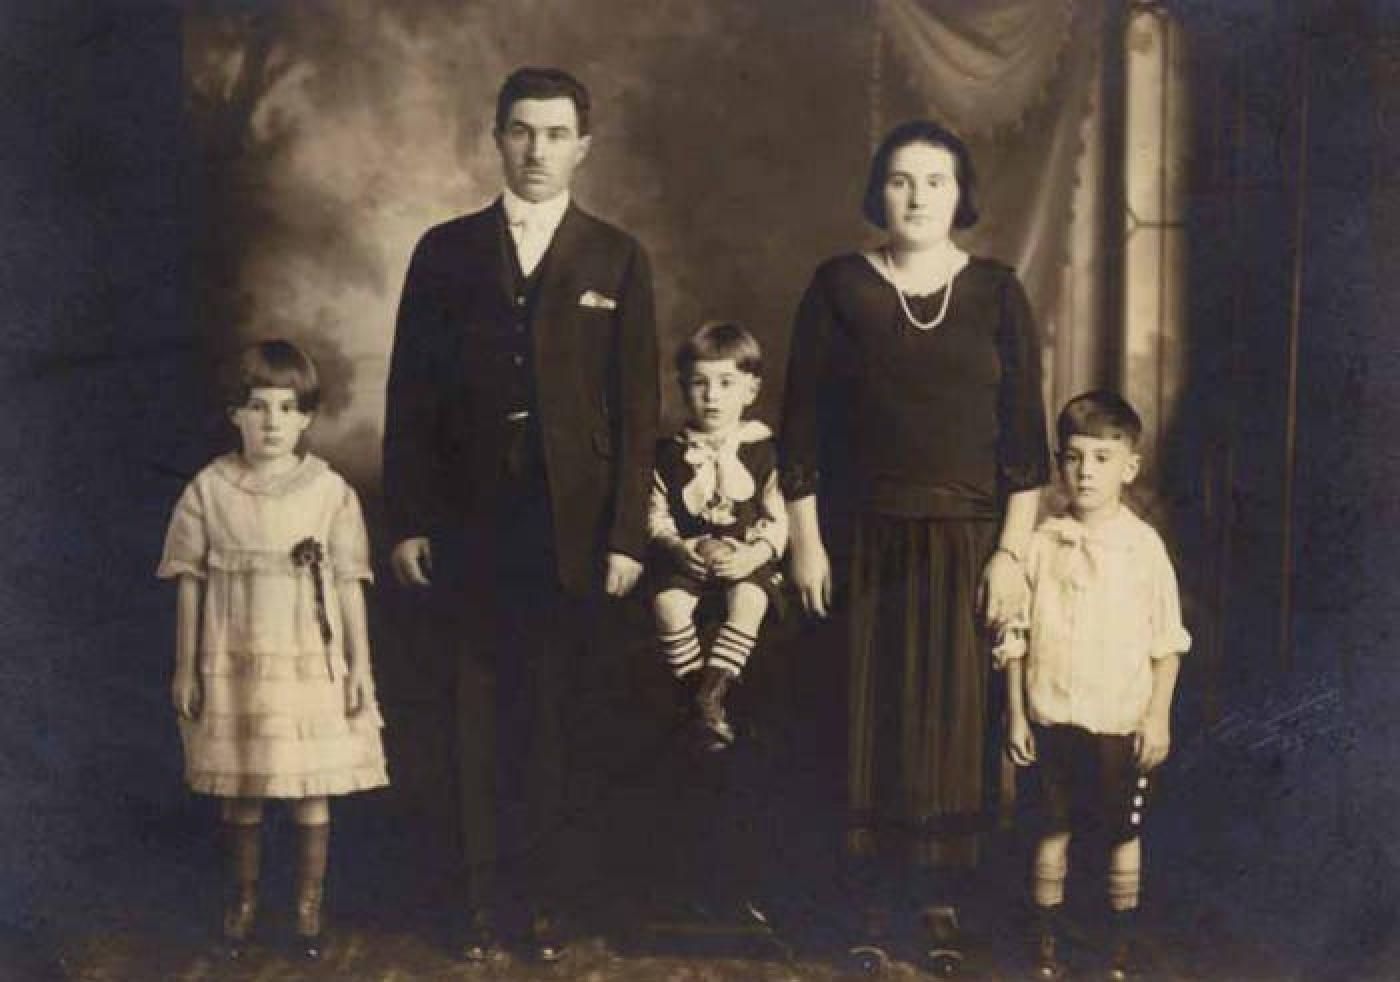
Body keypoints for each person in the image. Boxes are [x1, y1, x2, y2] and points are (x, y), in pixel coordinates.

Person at [381, 66, 657, 963]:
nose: (537, 151)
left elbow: (638, 406)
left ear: (584, 144)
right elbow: (409, 397)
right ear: (496, 138)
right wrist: (410, 520)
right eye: (521, 132)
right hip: (467, 525)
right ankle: (475, 906)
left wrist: (623, 537)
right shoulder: (444, 250)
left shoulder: (617, 256)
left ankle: (544, 907)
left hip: (570, 533)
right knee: (468, 716)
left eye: (555, 133)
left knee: (554, 719)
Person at [779, 118, 1050, 975]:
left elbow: (1025, 446)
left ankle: (939, 909)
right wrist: (806, 545)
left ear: (961, 194)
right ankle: (867, 911)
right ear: (878, 192)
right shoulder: (837, 287)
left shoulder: (999, 293)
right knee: (865, 722)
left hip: (968, 544)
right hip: (861, 543)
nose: (919, 196)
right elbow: (800, 433)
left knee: (950, 727)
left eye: (935, 180)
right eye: (901, 180)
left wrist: (1009, 555)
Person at [159, 340, 388, 960]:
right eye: (257, 408)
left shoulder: (330, 491)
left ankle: (307, 911)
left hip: (308, 657)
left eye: (287, 409)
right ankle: (244, 904)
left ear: (308, 417)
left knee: (310, 785)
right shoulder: (209, 489)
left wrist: (359, 667)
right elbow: (189, 583)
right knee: (244, 785)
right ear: (235, 414)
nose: (272, 424)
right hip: (233, 656)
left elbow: (348, 586)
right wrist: (185, 666)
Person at [997, 391, 1190, 982]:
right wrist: (1016, 715)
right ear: (1059, 463)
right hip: (1050, 715)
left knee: (1119, 831)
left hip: (1118, 720)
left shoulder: (1143, 549)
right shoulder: (1039, 542)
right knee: (1050, 828)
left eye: (1103, 458)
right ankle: (1046, 948)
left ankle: (1116, 948)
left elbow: (1167, 644)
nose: (1086, 472)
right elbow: (1014, 635)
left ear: (1129, 466)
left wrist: (1157, 718)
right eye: (1075, 457)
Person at [648, 321, 788, 749]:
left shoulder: (765, 450)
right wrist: (677, 546)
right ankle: (695, 695)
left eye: (727, 383)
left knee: (748, 600)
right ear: (682, 388)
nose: (712, 397)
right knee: (667, 604)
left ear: (750, 390)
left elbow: (778, 518)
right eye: (699, 384)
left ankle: (711, 696)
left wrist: (754, 553)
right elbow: (655, 515)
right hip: (689, 558)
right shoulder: (668, 454)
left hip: (745, 558)